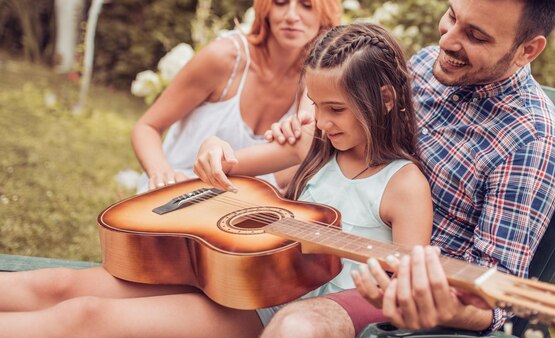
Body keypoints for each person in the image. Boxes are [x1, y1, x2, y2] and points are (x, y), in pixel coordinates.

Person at [0, 23, 433, 338]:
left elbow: (405, 296)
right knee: (61, 285)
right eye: (316, 105)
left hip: (267, 312)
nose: (320, 120)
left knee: (84, 318)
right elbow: (225, 168)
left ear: (385, 99)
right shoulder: (312, 145)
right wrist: (212, 145)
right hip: (224, 268)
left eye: (335, 109)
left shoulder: (404, 186)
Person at [263, 0, 555, 336]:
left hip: (389, 301)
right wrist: (312, 121)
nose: (446, 40)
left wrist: (439, 307)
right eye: (452, 15)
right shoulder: (427, 64)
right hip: (321, 252)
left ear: (527, 49)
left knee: (299, 325)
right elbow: (357, 123)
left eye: (475, 35)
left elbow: (497, 299)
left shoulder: (531, 141)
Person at [131, 0, 342, 193]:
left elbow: (304, 147)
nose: (291, 16)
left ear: (324, 11)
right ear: (266, 7)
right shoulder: (224, 58)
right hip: (176, 193)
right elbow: (146, 127)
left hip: (241, 209)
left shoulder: (314, 77)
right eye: (281, 2)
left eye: (307, 5)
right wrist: (162, 174)